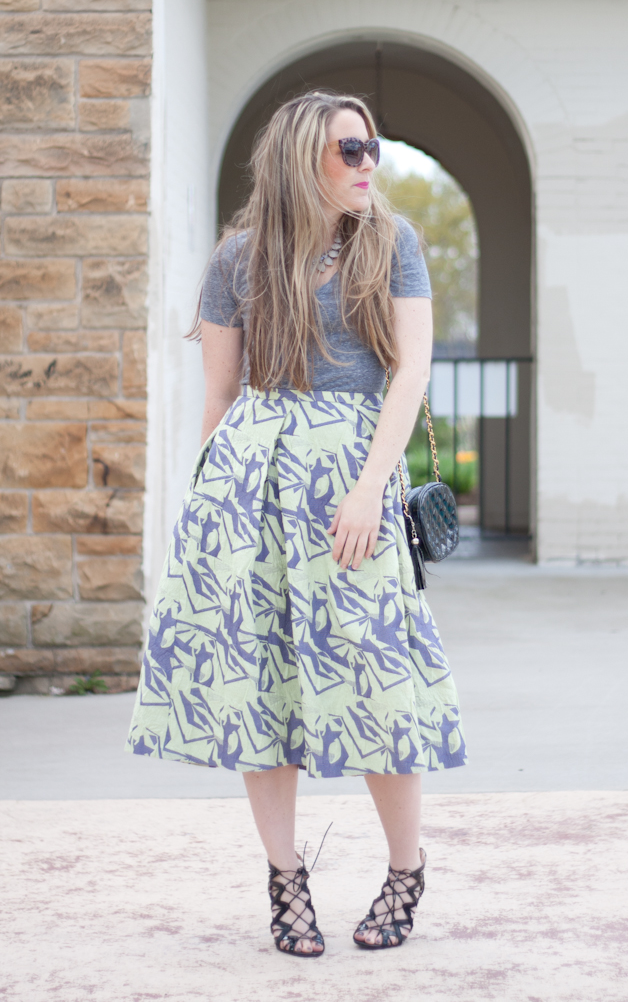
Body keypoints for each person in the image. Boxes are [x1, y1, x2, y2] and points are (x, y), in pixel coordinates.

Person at [127, 91, 466, 957]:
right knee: (260, 684)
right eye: (350, 149)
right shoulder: (238, 257)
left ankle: (405, 868)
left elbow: (412, 371)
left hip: (353, 475)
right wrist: (207, 514)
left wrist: (369, 488)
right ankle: (285, 878)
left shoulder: (391, 244)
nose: (367, 164)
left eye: (372, 147)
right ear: (299, 157)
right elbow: (217, 396)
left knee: (377, 679)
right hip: (249, 484)